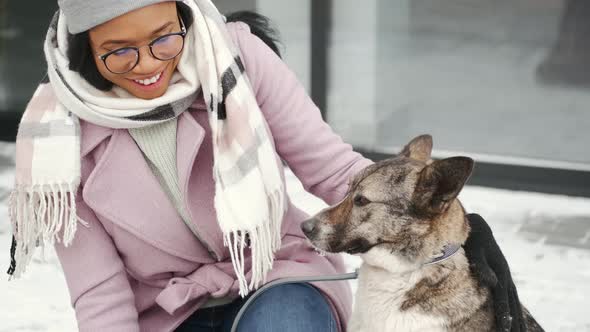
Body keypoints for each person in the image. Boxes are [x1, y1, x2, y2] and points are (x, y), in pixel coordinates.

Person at [6, 1, 524, 331]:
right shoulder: (54, 142)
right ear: (83, 50)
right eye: (118, 52)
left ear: (184, 19)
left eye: (163, 37)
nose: (148, 64)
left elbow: (333, 170)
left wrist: (435, 223)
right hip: (164, 313)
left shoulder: (237, 62)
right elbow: (99, 291)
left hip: (277, 281)